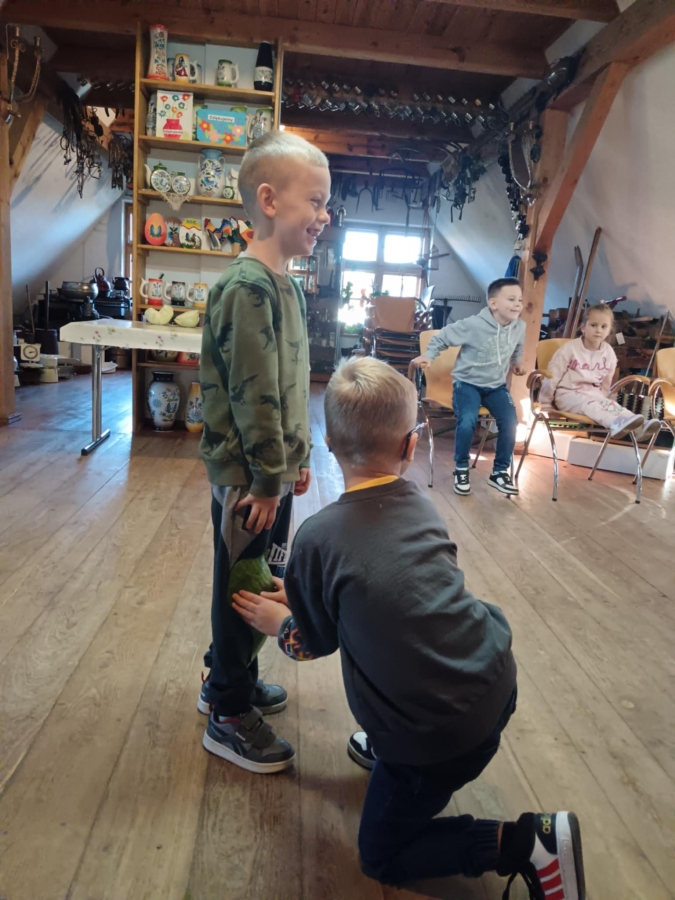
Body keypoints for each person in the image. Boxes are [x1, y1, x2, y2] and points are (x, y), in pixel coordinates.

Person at [232, 357, 586, 900]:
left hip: (437, 738)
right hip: (495, 680)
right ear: (411, 445)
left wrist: (281, 622)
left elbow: (313, 643)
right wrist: (309, 596)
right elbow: (390, 595)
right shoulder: (420, 502)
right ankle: (388, 749)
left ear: (328, 443)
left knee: (383, 855)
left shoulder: (317, 537)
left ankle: (525, 844)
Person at [198, 130, 331, 773]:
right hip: (251, 481)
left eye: (327, 203)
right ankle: (225, 708)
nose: (325, 215)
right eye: (316, 201)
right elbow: (254, 397)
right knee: (242, 584)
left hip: (271, 476)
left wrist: (296, 460)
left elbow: (290, 385)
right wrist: (269, 478)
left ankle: (233, 675)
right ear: (271, 201)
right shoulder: (246, 289)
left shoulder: (287, 286)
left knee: (258, 577)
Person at [411, 278, 526, 497]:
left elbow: (518, 347)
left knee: (511, 422)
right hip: (467, 384)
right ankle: (461, 468)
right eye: (511, 299)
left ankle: (499, 472)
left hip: (495, 386)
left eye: (520, 300)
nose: (518, 304)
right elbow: (442, 337)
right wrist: (429, 355)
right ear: (493, 304)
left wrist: (517, 362)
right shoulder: (473, 325)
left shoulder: (519, 326)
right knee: (467, 421)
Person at [540, 303, 660, 440]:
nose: (598, 330)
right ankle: (615, 424)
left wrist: (603, 399)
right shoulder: (569, 349)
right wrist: (546, 403)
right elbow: (552, 377)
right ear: (583, 327)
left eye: (604, 327)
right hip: (567, 396)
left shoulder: (608, 352)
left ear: (609, 330)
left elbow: (606, 382)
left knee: (612, 405)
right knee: (591, 406)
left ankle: (641, 427)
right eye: (593, 325)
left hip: (593, 395)